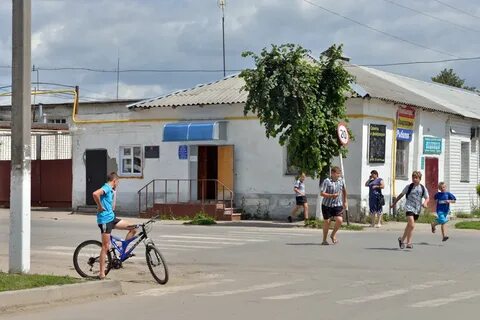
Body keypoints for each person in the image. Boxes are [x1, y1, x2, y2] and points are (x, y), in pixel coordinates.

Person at [92, 172, 136, 279]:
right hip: (105, 220)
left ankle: (122, 254)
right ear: (114, 181)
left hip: (111, 218)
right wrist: (100, 206)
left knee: (133, 228)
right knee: (105, 246)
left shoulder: (111, 189)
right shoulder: (107, 187)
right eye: (118, 182)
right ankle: (102, 273)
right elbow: (95, 194)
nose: (118, 184)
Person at [390, 171, 429, 249]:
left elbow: (427, 197)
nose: (414, 179)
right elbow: (401, 195)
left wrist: (425, 203)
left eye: (416, 178)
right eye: (413, 178)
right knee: (412, 224)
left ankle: (402, 240)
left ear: (419, 179)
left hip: (417, 209)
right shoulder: (409, 187)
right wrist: (394, 203)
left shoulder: (422, 188)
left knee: (409, 226)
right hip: (409, 207)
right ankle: (409, 242)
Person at [320, 166, 348, 245]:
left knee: (340, 220)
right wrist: (332, 195)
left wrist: (345, 201)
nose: (339, 175)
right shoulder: (327, 181)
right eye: (337, 174)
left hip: (337, 204)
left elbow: (344, 191)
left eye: (339, 174)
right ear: (332, 173)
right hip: (326, 205)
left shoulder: (341, 181)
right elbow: (322, 193)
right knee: (327, 222)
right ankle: (324, 240)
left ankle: (333, 234)